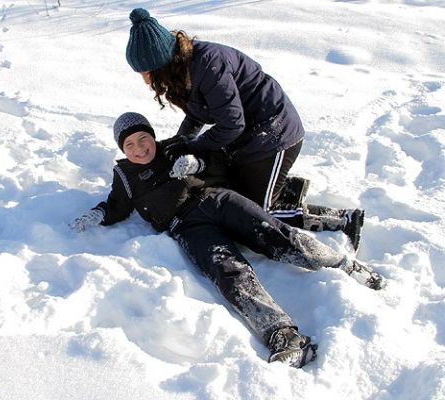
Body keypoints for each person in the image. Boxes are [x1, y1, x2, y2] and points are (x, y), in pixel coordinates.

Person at [69, 112, 385, 368]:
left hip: (216, 199)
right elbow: (117, 205)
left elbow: (218, 162)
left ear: (152, 136)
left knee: (276, 236)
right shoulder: (125, 175)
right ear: (123, 150)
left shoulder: (173, 147)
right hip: (187, 228)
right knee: (230, 274)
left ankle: (342, 264)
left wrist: (197, 163)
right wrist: (98, 214)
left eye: (143, 139)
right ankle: (282, 335)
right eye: (130, 145)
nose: (139, 148)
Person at [123, 8, 365, 251]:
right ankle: (281, 187)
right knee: (241, 197)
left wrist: (194, 146)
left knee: (258, 214)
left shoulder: (208, 65)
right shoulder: (181, 70)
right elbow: (198, 112)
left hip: (274, 134)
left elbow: (231, 124)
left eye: (146, 73)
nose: (145, 80)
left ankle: (343, 220)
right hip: (249, 139)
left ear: (162, 63)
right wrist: (181, 140)